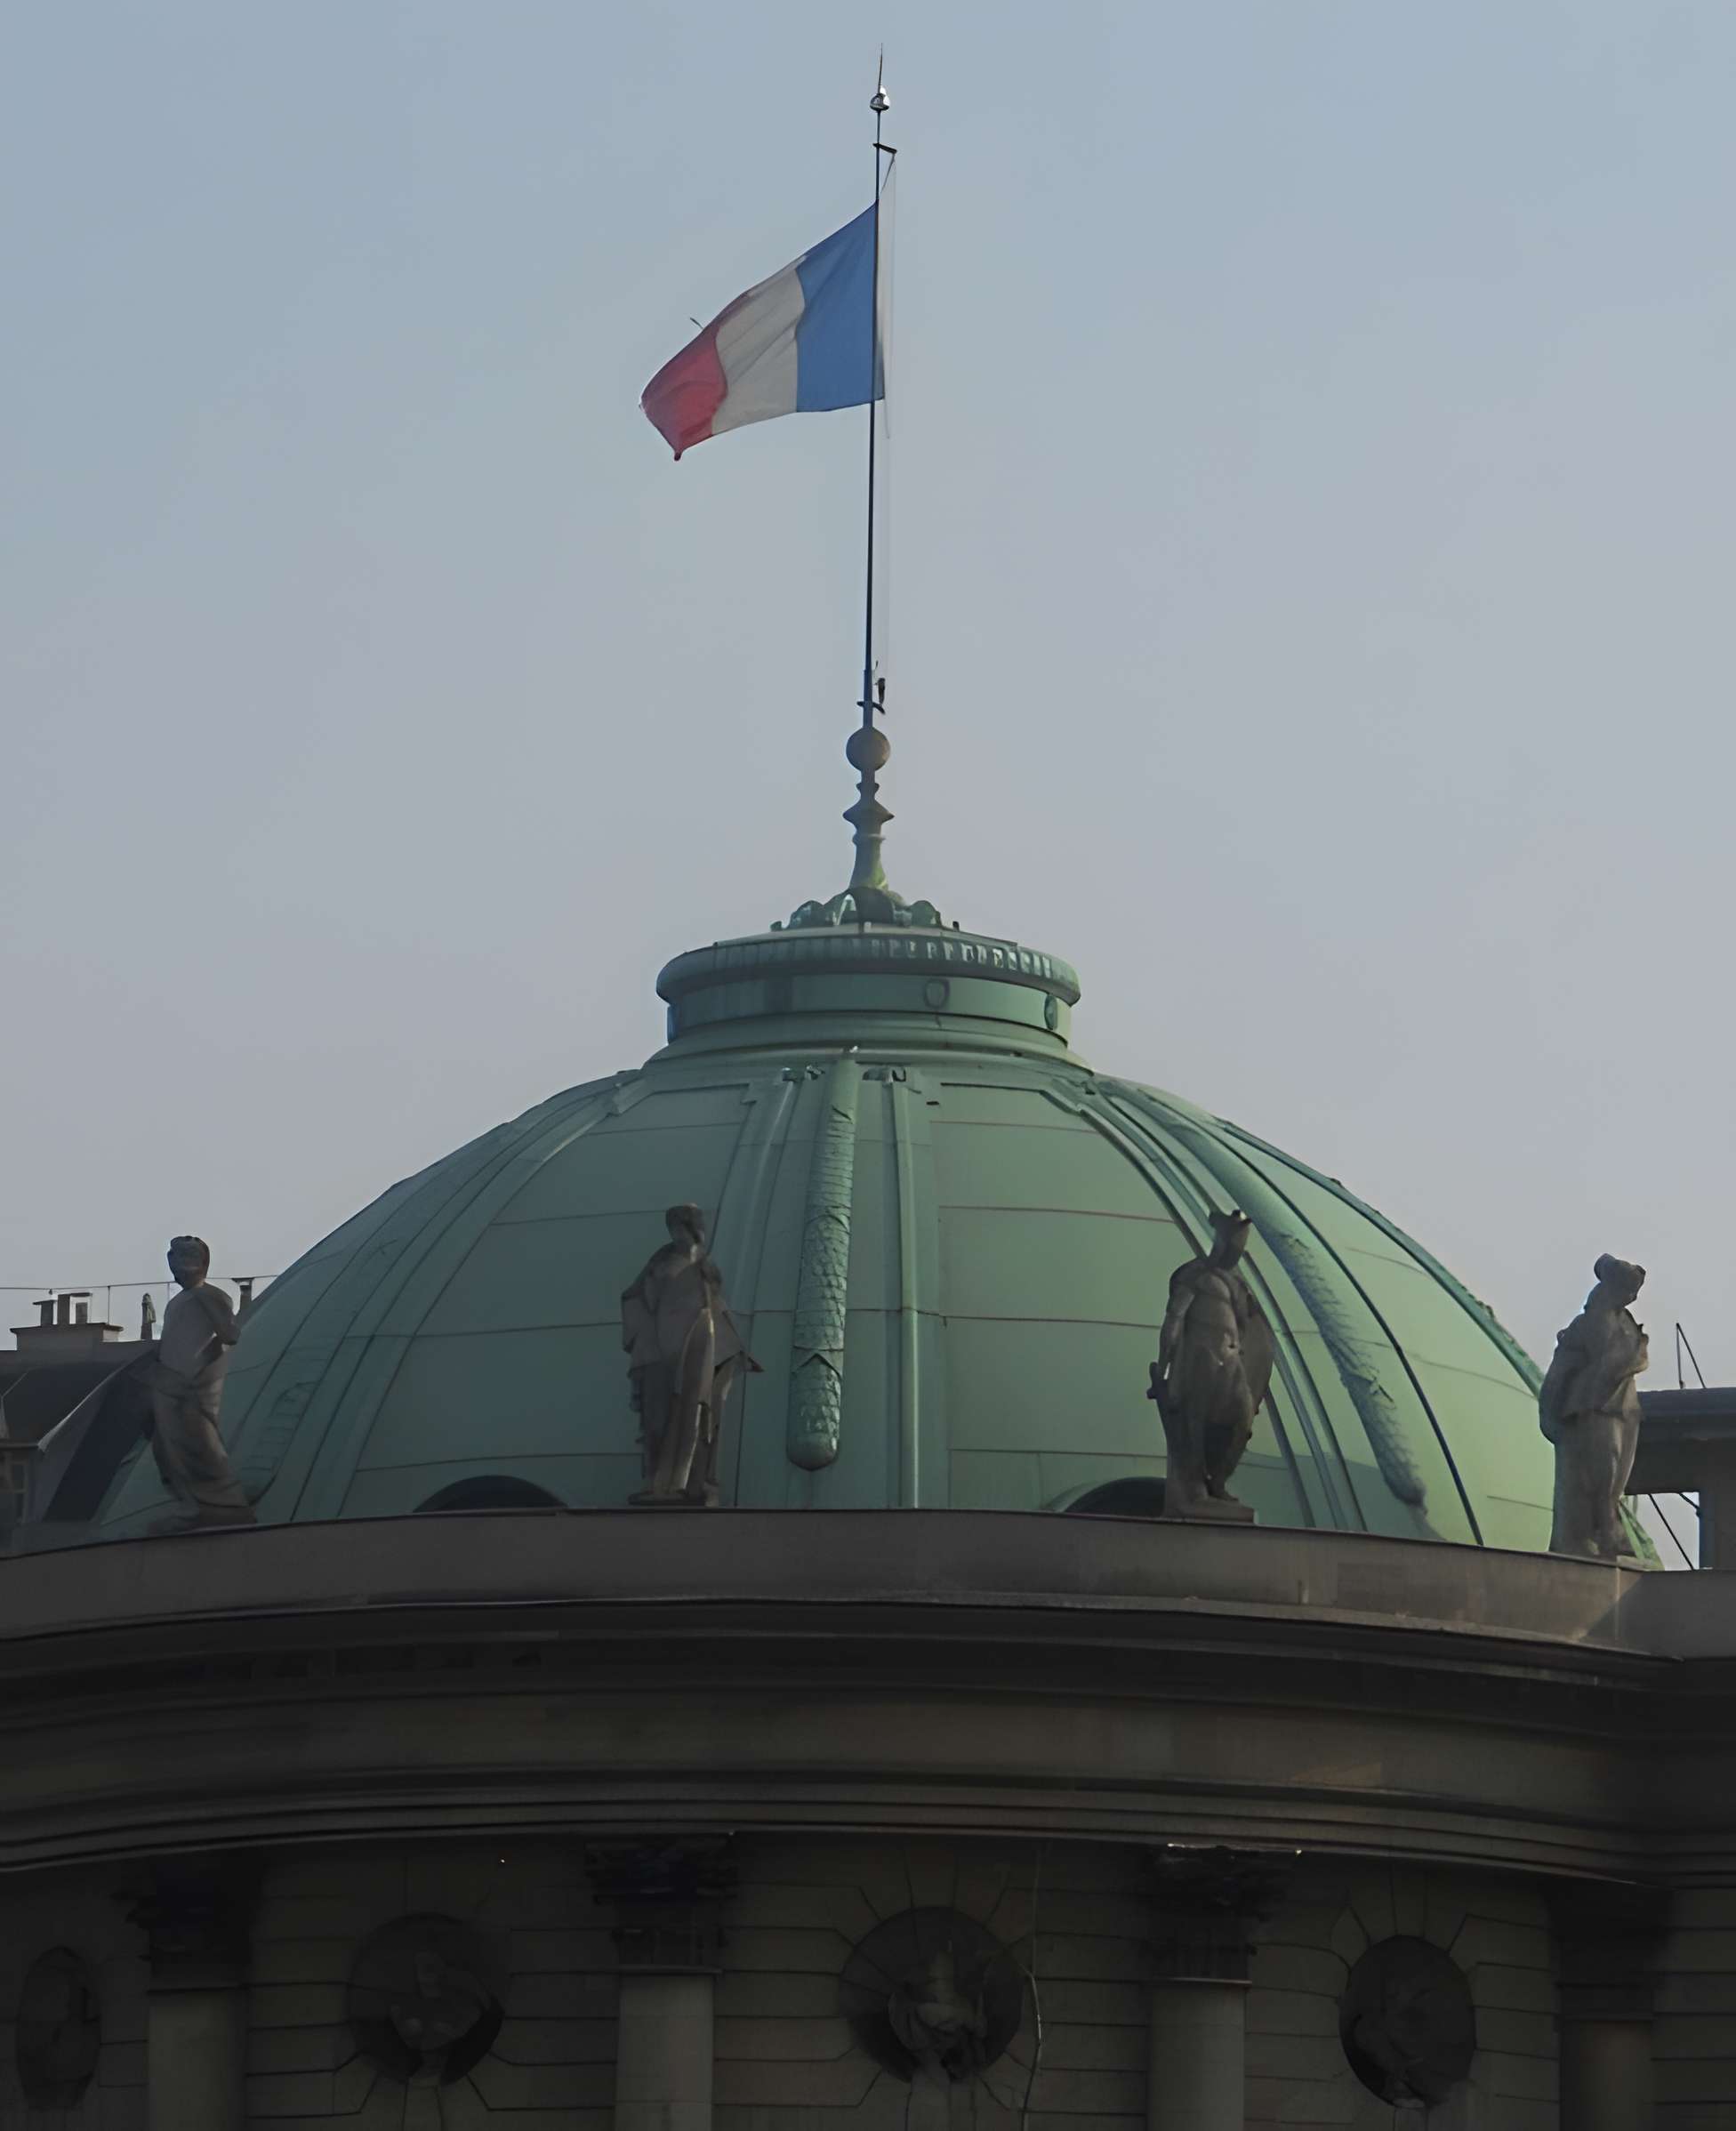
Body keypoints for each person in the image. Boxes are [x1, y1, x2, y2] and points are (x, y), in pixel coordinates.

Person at [1539, 1255, 1648, 1560]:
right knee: (1602, 1475)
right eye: (1628, 1290)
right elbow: (1581, 1363)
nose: (1632, 1297)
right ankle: (1604, 1536)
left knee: (1614, 1480)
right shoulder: (1590, 1322)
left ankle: (1606, 1534)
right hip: (1594, 1408)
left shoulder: (1623, 1322)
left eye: (1634, 1292)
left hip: (1622, 1409)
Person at [144, 1235, 255, 1532]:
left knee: (199, 1443)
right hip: (169, 1383)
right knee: (167, 1448)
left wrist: (197, 1375)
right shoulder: (177, 1302)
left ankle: (223, 1504)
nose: (179, 1265)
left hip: (193, 1385)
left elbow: (229, 1335)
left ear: (202, 1263)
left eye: (186, 1257)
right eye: (175, 1258)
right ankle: (191, 1504)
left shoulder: (211, 1296)